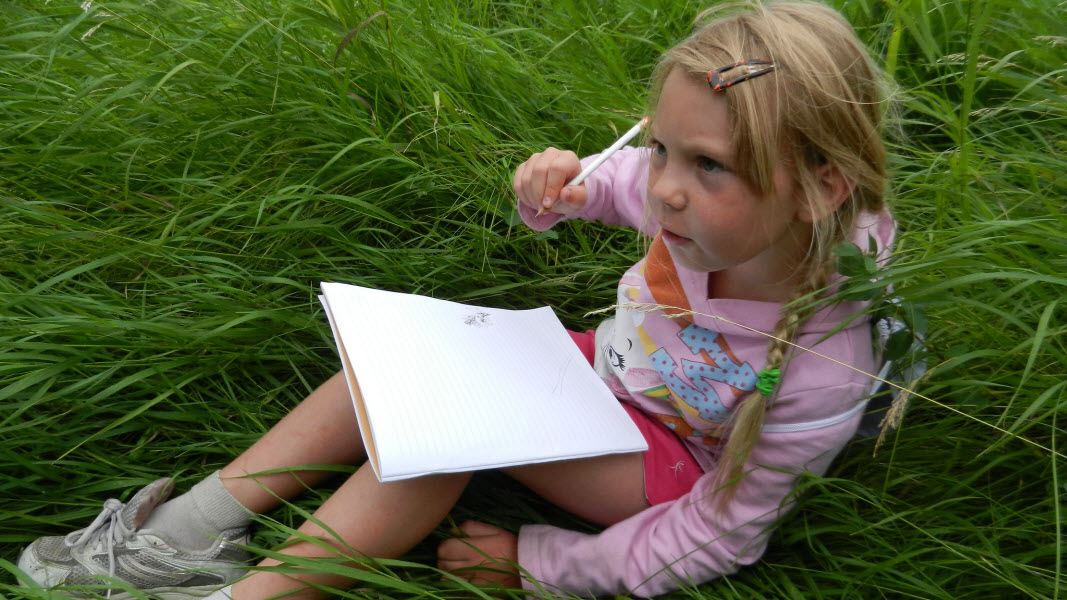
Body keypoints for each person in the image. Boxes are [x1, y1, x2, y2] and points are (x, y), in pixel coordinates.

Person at [18, 1, 898, 597]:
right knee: (394, 368)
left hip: (675, 464)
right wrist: (556, 188)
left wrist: (537, 562)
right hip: (618, 378)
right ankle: (185, 531)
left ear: (820, 187)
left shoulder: (823, 357)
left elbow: (727, 529)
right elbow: (607, 188)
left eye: (706, 165)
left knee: (440, 438)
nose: (663, 188)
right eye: (661, 147)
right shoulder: (705, 211)